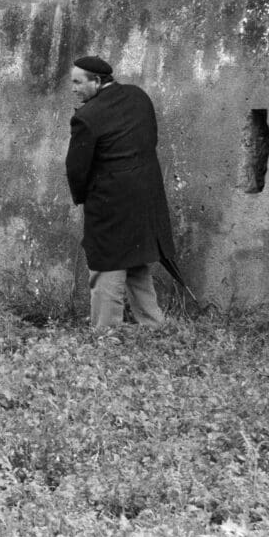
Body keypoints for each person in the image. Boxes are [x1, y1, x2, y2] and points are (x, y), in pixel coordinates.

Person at [65, 55, 175, 332]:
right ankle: (153, 326)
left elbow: (77, 169)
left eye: (78, 83)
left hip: (111, 202)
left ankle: (105, 334)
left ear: (97, 81)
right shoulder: (138, 97)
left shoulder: (87, 117)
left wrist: (84, 196)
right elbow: (150, 139)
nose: (74, 89)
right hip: (147, 196)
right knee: (135, 259)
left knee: (106, 264)